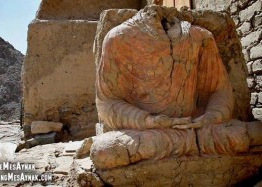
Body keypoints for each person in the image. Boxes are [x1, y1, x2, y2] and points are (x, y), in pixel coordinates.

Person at [89, 5, 262, 169]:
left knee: (253, 133)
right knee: (105, 151)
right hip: (152, 135)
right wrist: (147, 120)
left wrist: (212, 116)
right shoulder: (117, 39)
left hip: (198, 129)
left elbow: (219, 90)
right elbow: (107, 103)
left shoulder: (199, 37)